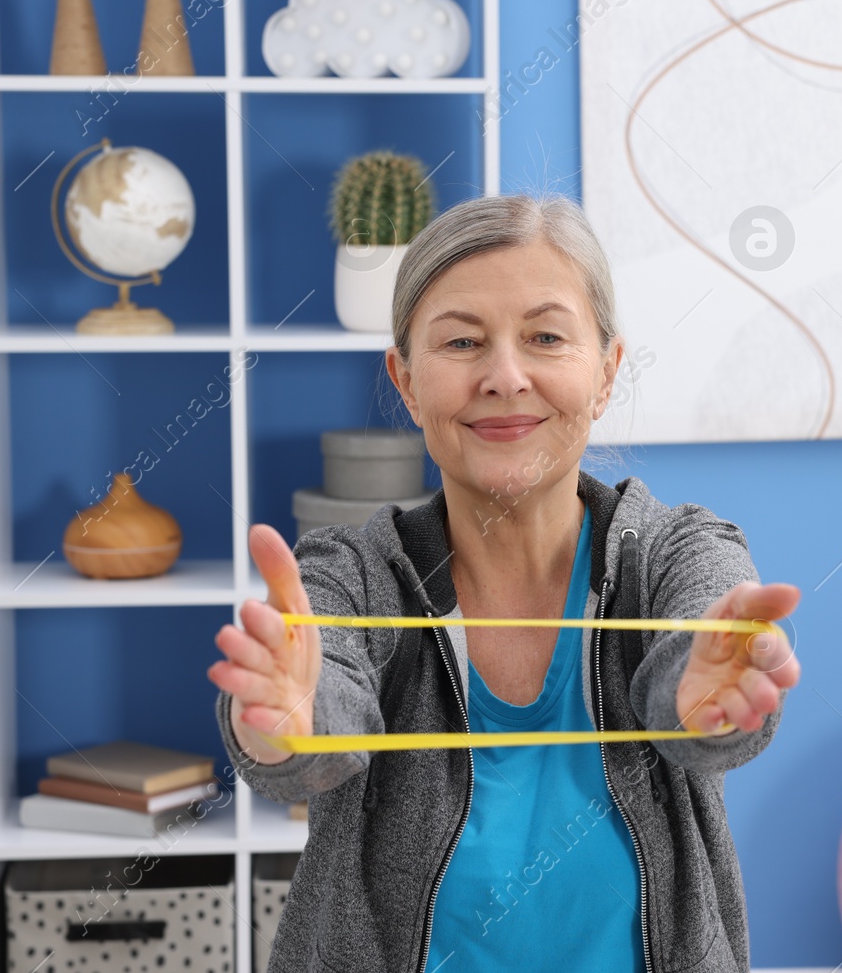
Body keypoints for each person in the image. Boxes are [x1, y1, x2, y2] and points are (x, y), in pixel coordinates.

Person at [208, 193, 802, 973]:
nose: (505, 376)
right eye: (462, 342)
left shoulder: (682, 550)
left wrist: (698, 699)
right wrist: (287, 720)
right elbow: (316, 722)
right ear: (407, 380)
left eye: (546, 337)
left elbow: (700, 683)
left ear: (606, 371)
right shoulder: (349, 571)